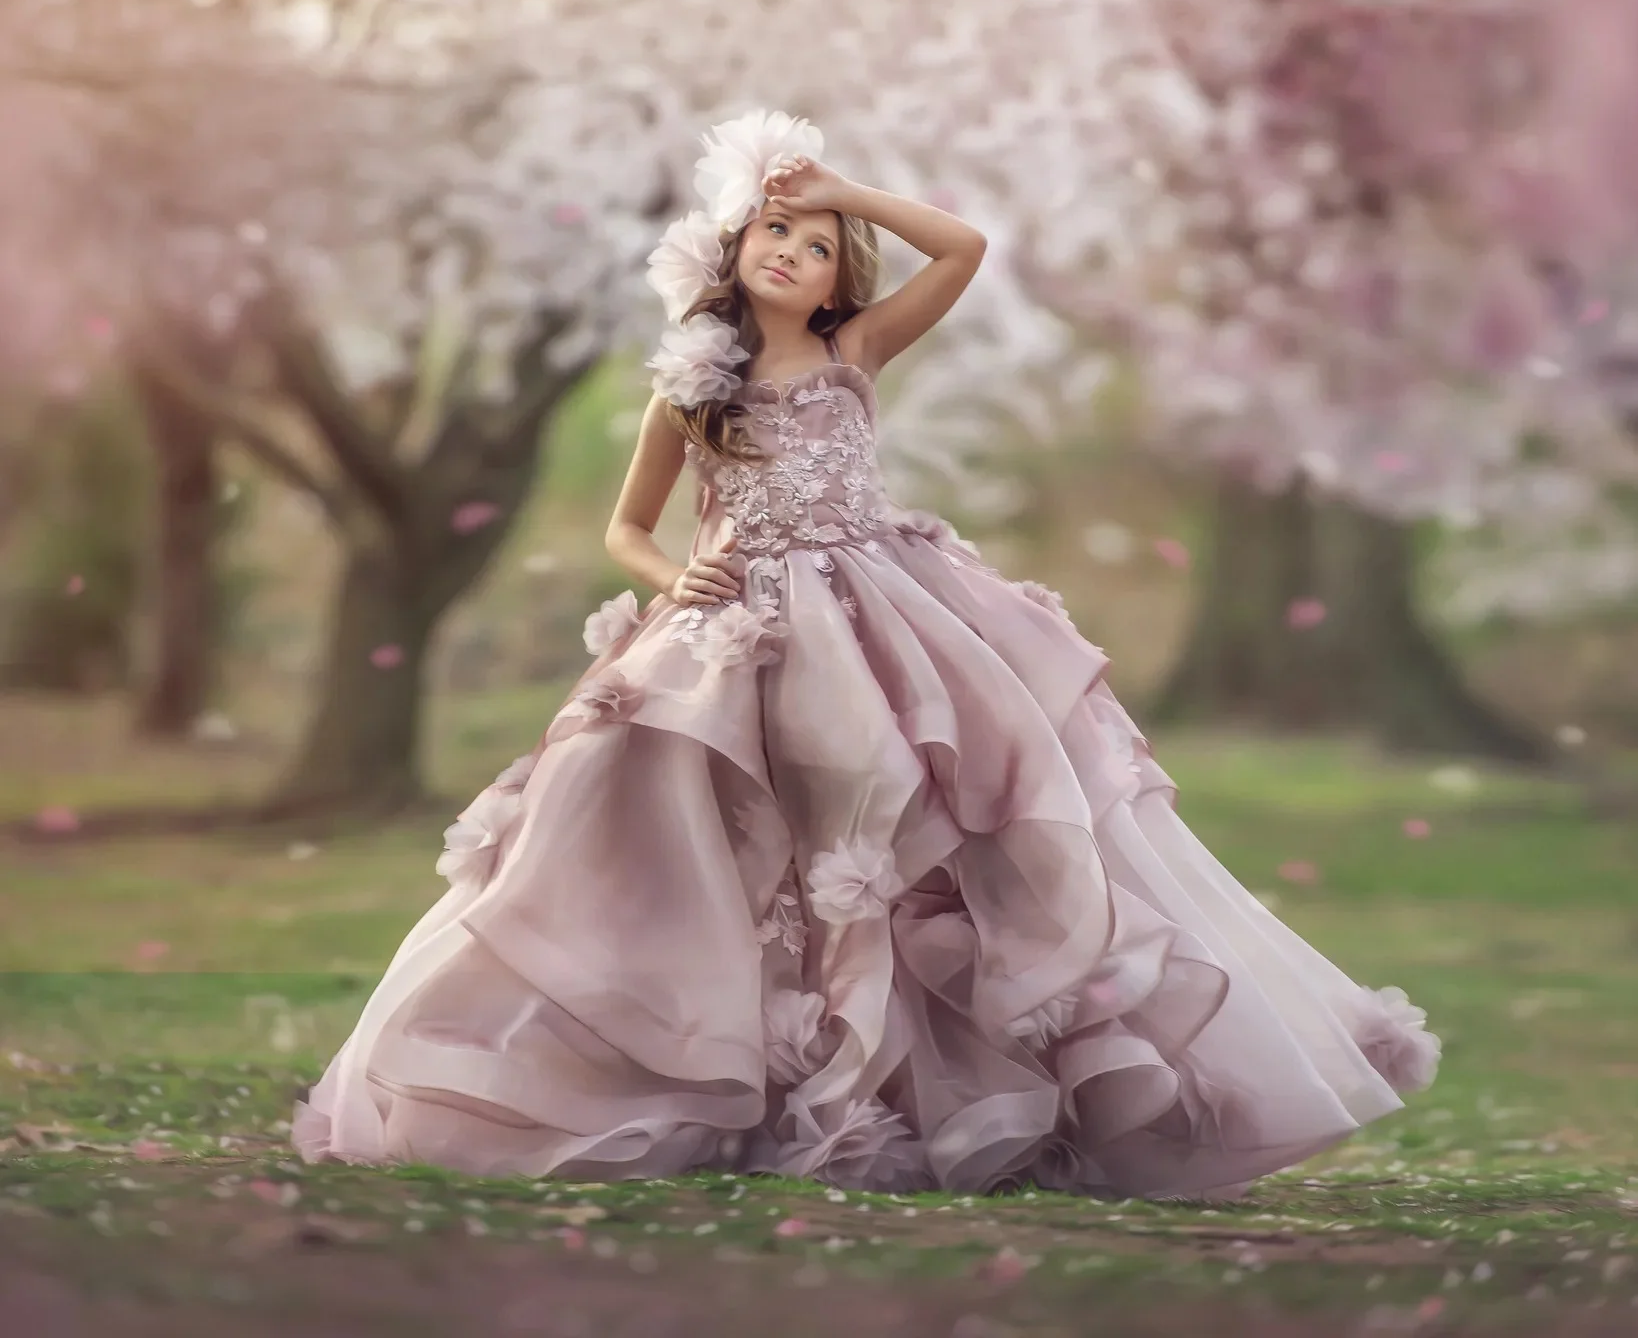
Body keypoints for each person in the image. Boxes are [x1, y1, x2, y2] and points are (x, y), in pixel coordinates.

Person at [293, 109, 1438, 1196]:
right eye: (774, 229)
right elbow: (628, 526)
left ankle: (917, 1088)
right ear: (732, 249)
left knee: (895, 832)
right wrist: (665, 577)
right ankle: (742, 1073)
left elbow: (965, 244)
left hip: (878, 616)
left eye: (817, 244)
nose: (790, 249)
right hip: (737, 628)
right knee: (735, 843)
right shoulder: (692, 389)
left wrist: (839, 189)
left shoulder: (857, 351)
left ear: (846, 279)